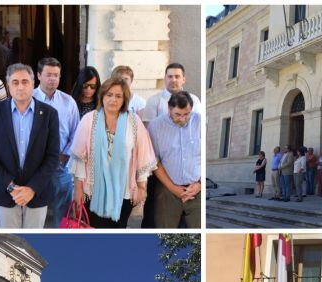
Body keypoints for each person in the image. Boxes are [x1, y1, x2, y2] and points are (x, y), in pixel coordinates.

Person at [0, 63, 60, 228]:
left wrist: (32, 188)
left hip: (37, 194)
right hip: (5, 193)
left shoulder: (49, 114)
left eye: (25, 82)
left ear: (33, 84)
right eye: (15, 82)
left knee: (33, 244)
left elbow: (52, 157)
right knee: (8, 242)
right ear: (8, 85)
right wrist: (11, 187)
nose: (20, 87)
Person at [71, 77, 157, 228]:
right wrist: (78, 190)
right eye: (109, 95)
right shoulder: (89, 120)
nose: (113, 100)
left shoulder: (134, 121)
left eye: (118, 96)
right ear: (102, 96)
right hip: (92, 191)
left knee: (119, 229)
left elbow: (143, 155)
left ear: (125, 99)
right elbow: (79, 158)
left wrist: (142, 187)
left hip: (124, 192)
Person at [33, 57, 81, 228]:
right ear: (39, 75)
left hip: (61, 164)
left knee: (62, 210)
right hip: (34, 166)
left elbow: (76, 133)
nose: (52, 79)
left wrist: (63, 156)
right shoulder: (28, 98)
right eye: (48, 75)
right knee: (34, 210)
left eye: (56, 75)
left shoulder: (68, 102)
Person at [147, 91, 200, 228]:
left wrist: (199, 184)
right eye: (178, 114)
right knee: (165, 234)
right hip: (167, 191)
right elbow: (154, 161)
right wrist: (173, 188)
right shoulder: (155, 126)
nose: (182, 119)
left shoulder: (200, 122)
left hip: (197, 191)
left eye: (186, 114)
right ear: (169, 109)